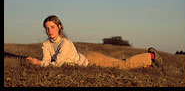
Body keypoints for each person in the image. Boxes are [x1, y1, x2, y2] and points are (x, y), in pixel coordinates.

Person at [26, 15, 163, 70]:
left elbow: (57, 64)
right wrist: (40, 62)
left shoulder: (65, 43)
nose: (49, 31)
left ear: (59, 27)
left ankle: (151, 56)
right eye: (47, 28)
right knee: (119, 62)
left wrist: (38, 63)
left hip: (92, 60)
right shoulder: (45, 44)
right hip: (85, 57)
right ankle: (145, 66)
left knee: (123, 65)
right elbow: (47, 60)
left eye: (52, 27)